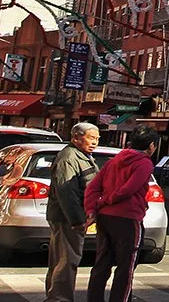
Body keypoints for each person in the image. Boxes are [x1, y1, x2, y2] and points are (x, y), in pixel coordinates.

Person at [85, 129, 156, 302]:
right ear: (151, 146)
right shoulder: (144, 163)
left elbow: (93, 187)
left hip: (105, 217)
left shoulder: (113, 161)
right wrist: (107, 200)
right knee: (127, 265)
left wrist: (92, 209)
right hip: (128, 217)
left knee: (102, 262)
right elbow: (129, 189)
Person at [46, 122, 101, 302]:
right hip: (66, 219)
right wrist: (77, 220)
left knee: (63, 260)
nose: (94, 142)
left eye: (97, 139)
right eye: (91, 138)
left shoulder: (82, 156)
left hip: (72, 217)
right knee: (66, 260)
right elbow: (66, 193)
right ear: (76, 137)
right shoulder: (69, 157)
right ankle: (59, 298)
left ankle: (57, 296)